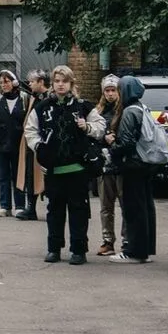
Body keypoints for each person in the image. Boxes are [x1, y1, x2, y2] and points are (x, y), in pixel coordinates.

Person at [30, 66, 102, 264]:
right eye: (57, 81)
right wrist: (39, 146)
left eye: (64, 81)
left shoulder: (83, 106)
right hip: (54, 170)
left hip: (78, 169)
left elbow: (100, 127)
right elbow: (31, 130)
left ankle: (78, 250)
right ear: (52, 83)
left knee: (79, 211)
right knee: (54, 211)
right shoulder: (43, 107)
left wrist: (87, 127)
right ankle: (53, 248)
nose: (61, 84)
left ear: (71, 83)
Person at [113, 76, 161, 263]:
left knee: (134, 209)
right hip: (146, 164)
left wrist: (112, 146)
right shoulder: (143, 108)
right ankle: (146, 249)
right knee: (146, 207)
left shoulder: (129, 112)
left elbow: (126, 143)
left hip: (133, 165)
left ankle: (134, 251)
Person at [0, 69, 29, 218]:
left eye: (7, 81)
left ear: (14, 82)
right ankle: (5, 206)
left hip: (18, 142)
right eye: (1, 82)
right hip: (1, 143)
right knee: (3, 176)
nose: (4, 85)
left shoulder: (23, 98)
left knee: (18, 175)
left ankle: (20, 205)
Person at [93, 76, 125, 256]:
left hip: (121, 164)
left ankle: (126, 239)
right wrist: (103, 137)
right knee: (106, 206)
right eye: (107, 90)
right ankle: (108, 240)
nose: (111, 94)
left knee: (124, 203)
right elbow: (92, 133)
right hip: (104, 164)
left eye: (113, 90)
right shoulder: (98, 111)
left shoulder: (124, 110)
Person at [14, 69, 48, 219]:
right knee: (30, 175)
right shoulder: (34, 98)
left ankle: (53, 207)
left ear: (41, 82)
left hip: (45, 142)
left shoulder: (49, 98)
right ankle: (31, 208)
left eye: (32, 81)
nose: (29, 84)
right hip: (30, 142)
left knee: (46, 176)